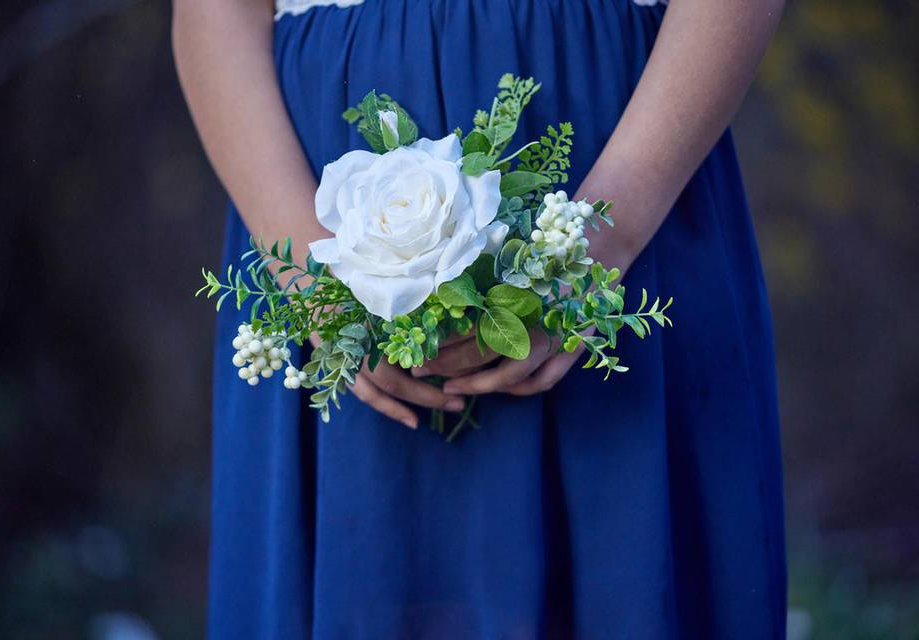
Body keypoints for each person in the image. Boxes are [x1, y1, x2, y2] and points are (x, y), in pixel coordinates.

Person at [173, 0, 786, 637]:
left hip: (630, 156)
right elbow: (213, 13)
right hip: (305, 199)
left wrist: (597, 243)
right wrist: (318, 289)